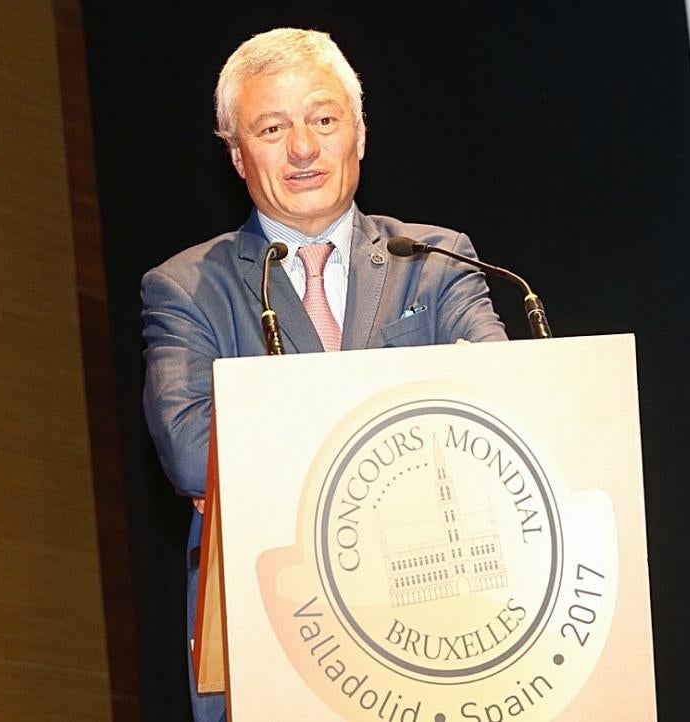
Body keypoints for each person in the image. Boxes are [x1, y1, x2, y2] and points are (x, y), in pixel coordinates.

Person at [141, 26, 507, 722]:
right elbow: (193, 457)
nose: (304, 149)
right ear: (238, 155)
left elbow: (496, 412)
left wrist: (259, 439)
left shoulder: (437, 262)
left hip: (446, 625)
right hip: (278, 636)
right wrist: (408, 415)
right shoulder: (187, 288)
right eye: (273, 127)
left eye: (324, 119)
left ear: (359, 135)